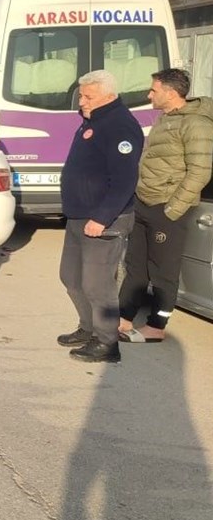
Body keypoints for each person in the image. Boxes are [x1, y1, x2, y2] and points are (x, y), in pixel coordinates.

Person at [118, 68, 213, 343]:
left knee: (163, 271)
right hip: (144, 202)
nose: (149, 94)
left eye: (153, 90)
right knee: (135, 266)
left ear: (170, 93)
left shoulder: (196, 124)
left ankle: (156, 326)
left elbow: (200, 172)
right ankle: (124, 318)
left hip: (167, 209)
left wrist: (173, 209)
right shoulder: (166, 118)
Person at [56, 70, 143, 363]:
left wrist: (103, 217)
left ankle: (107, 343)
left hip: (104, 221)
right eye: (81, 95)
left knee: (98, 284)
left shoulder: (120, 125)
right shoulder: (93, 120)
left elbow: (125, 180)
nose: (82, 101)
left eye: (88, 96)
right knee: (70, 277)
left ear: (108, 95)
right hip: (79, 217)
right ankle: (88, 327)